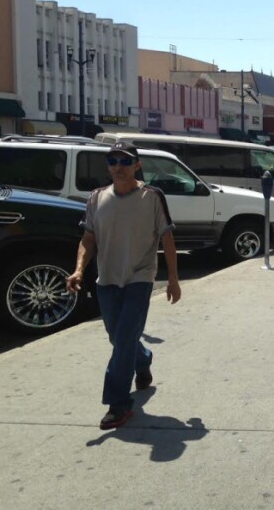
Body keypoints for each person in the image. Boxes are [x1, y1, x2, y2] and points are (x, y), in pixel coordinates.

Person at [66, 140, 181, 431]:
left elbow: (167, 238)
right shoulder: (96, 197)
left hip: (140, 278)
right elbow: (88, 238)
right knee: (119, 339)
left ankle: (118, 404)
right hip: (106, 279)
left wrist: (173, 279)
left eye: (125, 161)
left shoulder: (151, 196)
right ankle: (143, 360)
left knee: (125, 337)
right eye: (113, 161)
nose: (118, 167)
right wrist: (79, 270)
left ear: (137, 165)